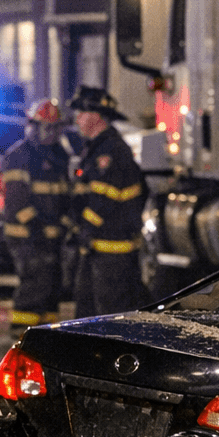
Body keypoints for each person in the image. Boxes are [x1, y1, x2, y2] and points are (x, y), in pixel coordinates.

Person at [68, 86, 147, 318]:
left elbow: (106, 196)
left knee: (110, 313)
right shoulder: (96, 148)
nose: (77, 119)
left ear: (95, 116)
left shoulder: (111, 151)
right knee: (87, 309)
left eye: (81, 113)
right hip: (97, 246)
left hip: (112, 248)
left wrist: (86, 228)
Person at [1, 99, 72, 334]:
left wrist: (64, 224)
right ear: (31, 126)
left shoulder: (59, 155)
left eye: (56, 128)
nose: (51, 133)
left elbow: (63, 195)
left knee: (52, 285)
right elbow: (16, 201)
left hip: (51, 234)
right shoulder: (18, 156)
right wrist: (37, 227)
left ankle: (46, 332)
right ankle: (22, 331)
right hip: (26, 235)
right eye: (46, 127)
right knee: (35, 282)